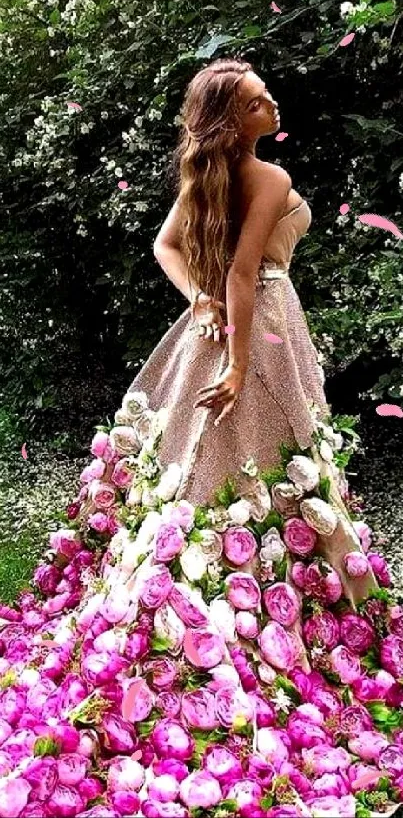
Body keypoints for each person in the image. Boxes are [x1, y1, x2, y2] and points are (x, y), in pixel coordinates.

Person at [1, 58, 402, 818]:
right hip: (263, 335)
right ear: (232, 119)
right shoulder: (270, 177)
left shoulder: (212, 176)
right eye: (256, 98)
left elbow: (169, 249)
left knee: (206, 470)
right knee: (273, 467)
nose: (270, 100)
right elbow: (246, 271)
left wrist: (200, 306)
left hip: (212, 329)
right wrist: (238, 349)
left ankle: (203, 590)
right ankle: (284, 599)